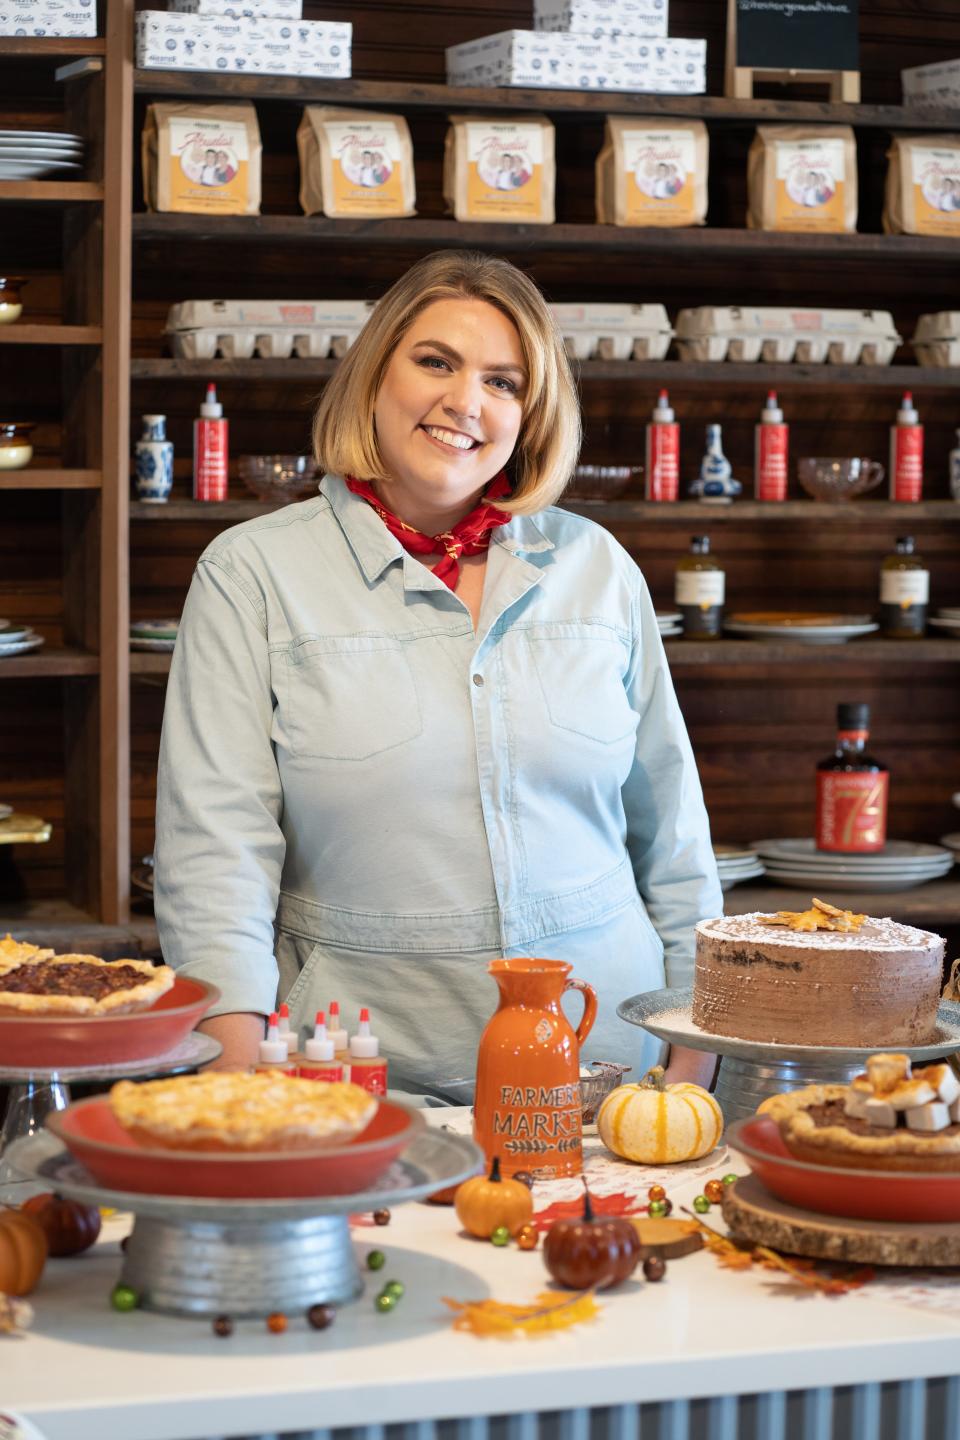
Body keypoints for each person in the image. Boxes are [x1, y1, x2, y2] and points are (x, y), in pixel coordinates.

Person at [154, 250, 722, 1100]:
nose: (466, 403)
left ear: (531, 416)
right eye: (435, 362)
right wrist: (246, 1087)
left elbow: (673, 837)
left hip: (614, 1072)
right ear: (374, 375)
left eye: (504, 381)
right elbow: (214, 855)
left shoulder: (595, 566)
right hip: (354, 1084)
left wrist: (692, 1060)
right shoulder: (252, 575)